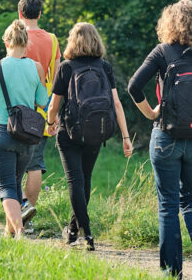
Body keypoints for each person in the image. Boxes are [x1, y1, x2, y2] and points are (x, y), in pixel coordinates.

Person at [127, 0, 192, 280]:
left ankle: (172, 274)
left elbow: (134, 86)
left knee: (168, 205)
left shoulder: (162, 52)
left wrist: (151, 113)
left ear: (169, 23)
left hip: (165, 137)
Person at [47, 22, 132, 251]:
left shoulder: (66, 67)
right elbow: (115, 103)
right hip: (97, 131)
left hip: (70, 131)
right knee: (84, 179)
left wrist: (50, 122)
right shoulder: (104, 66)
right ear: (96, 40)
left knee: (75, 181)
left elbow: (55, 103)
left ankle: (86, 234)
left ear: (72, 41)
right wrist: (125, 136)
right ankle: (74, 230)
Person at [0, 20, 48, 238]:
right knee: (15, 182)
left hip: (1, 131)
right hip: (27, 136)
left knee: (7, 187)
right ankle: (9, 231)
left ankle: (18, 231)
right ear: (26, 42)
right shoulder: (36, 67)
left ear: (7, 41)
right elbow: (42, 101)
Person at [16, 0, 60, 233]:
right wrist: (54, 111)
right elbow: (58, 77)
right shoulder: (52, 39)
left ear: (20, 13)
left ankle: (19, 208)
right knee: (35, 165)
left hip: (15, 110)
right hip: (41, 111)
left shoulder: (15, 35)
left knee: (12, 163)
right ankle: (28, 216)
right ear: (40, 14)